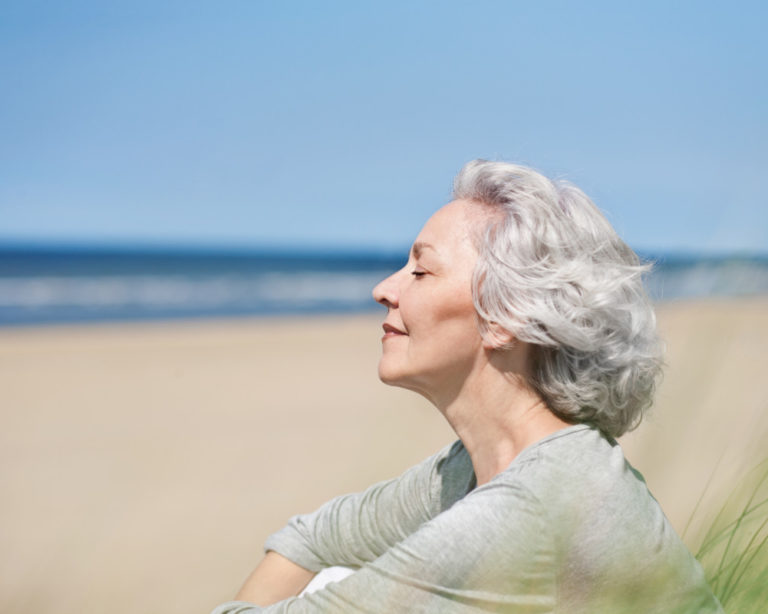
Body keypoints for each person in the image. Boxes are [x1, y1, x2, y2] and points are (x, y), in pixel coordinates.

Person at [212, 160, 723, 613]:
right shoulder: (477, 470)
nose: (383, 289)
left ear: (505, 318)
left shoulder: (527, 512)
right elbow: (312, 537)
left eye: (421, 271)